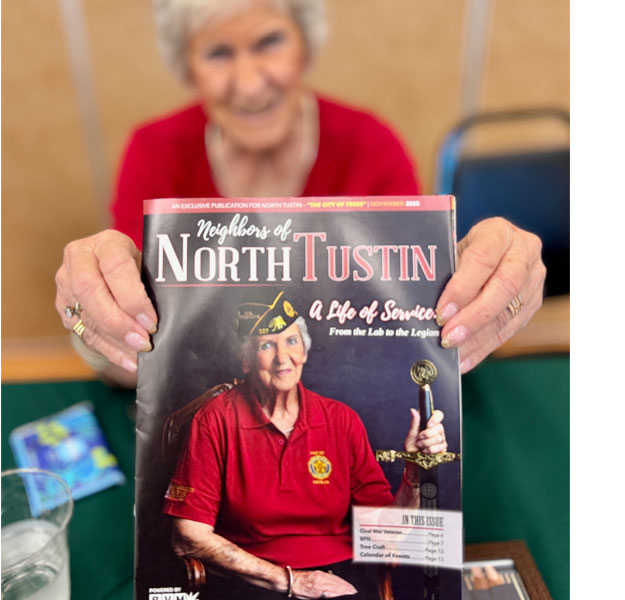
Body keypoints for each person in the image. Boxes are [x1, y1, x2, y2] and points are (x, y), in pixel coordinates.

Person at [54, 0, 546, 387]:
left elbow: (419, 323)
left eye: (269, 42)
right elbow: (132, 351)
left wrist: (480, 295)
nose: (250, 85)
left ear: (305, 46)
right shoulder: (154, 153)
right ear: (188, 67)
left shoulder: (371, 146)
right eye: (218, 53)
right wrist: (96, 324)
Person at [164, 291, 447, 599]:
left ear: (305, 352)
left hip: (340, 576)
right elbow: (188, 537)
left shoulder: (341, 419)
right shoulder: (214, 420)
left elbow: (387, 532)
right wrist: (290, 580)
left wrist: (415, 470)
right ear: (245, 360)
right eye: (266, 345)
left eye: (291, 341)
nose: (282, 358)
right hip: (255, 579)